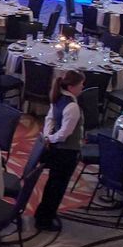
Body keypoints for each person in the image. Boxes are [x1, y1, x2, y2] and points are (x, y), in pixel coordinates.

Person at [29, 70, 85, 232]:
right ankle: (45, 220)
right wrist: (50, 138)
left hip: (57, 150)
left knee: (52, 184)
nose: (83, 87)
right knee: (57, 187)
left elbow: (50, 119)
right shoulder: (72, 106)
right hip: (66, 153)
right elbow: (65, 134)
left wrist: (47, 136)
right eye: (81, 84)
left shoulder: (59, 97)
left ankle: (43, 213)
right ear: (71, 86)